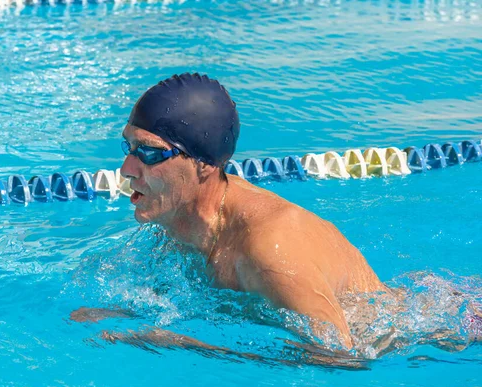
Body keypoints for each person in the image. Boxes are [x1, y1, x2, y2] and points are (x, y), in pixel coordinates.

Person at [71, 72, 481, 353]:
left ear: (203, 164)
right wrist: (126, 316)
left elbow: (342, 358)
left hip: (441, 331)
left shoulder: (269, 253)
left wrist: (183, 343)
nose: (126, 168)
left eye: (149, 153)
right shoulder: (179, 216)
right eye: (128, 147)